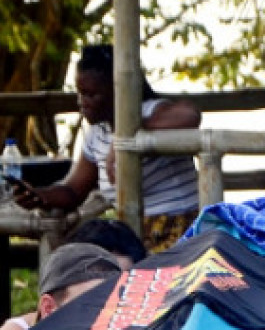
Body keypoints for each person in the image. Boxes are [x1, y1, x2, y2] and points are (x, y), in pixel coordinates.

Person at [12, 45, 200, 234]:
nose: (81, 102)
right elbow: (73, 191)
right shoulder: (97, 134)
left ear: (118, 91)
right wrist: (39, 195)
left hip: (181, 227)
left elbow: (190, 115)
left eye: (91, 94)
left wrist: (123, 135)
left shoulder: (149, 111)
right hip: (133, 229)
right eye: (79, 93)